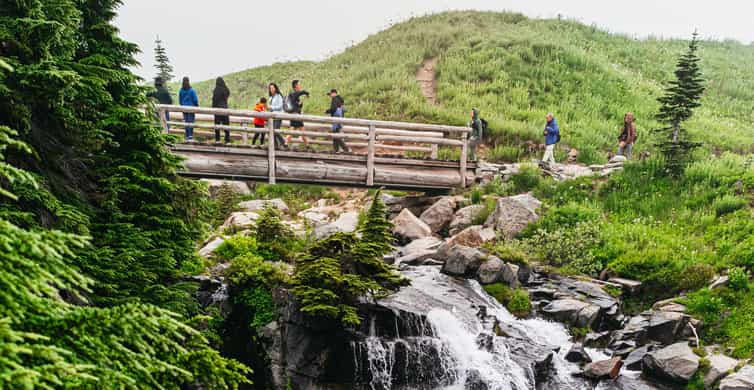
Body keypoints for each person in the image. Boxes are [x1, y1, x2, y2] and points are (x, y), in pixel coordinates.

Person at [285, 80, 310, 147]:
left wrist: (300, 104)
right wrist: (306, 93)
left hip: (295, 114)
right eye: (299, 84)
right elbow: (302, 92)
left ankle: (286, 143)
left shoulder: (294, 95)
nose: (300, 86)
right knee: (301, 130)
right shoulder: (294, 93)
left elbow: (297, 105)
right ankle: (307, 145)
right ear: (296, 86)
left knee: (294, 129)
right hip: (296, 115)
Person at [267, 83, 287, 149]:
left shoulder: (279, 96)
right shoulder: (270, 97)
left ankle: (284, 143)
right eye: (270, 88)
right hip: (272, 117)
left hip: (278, 115)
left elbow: (280, 106)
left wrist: (271, 107)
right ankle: (275, 147)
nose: (272, 89)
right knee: (272, 132)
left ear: (275, 88)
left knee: (276, 131)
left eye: (273, 88)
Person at [179, 77, 199, 141]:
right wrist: (196, 106)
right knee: (191, 121)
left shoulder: (181, 90)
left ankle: (187, 136)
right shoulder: (192, 90)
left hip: (184, 108)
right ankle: (190, 136)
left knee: (186, 121)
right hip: (191, 108)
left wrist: (182, 105)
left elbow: (180, 101)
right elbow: (195, 100)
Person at [212, 77, 231, 143]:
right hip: (225, 109)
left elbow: (214, 100)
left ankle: (218, 140)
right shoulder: (225, 89)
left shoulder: (216, 90)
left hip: (217, 109)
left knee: (217, 125)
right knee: (226, 125)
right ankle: (227, 140)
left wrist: (213, 108)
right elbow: (228, 93)